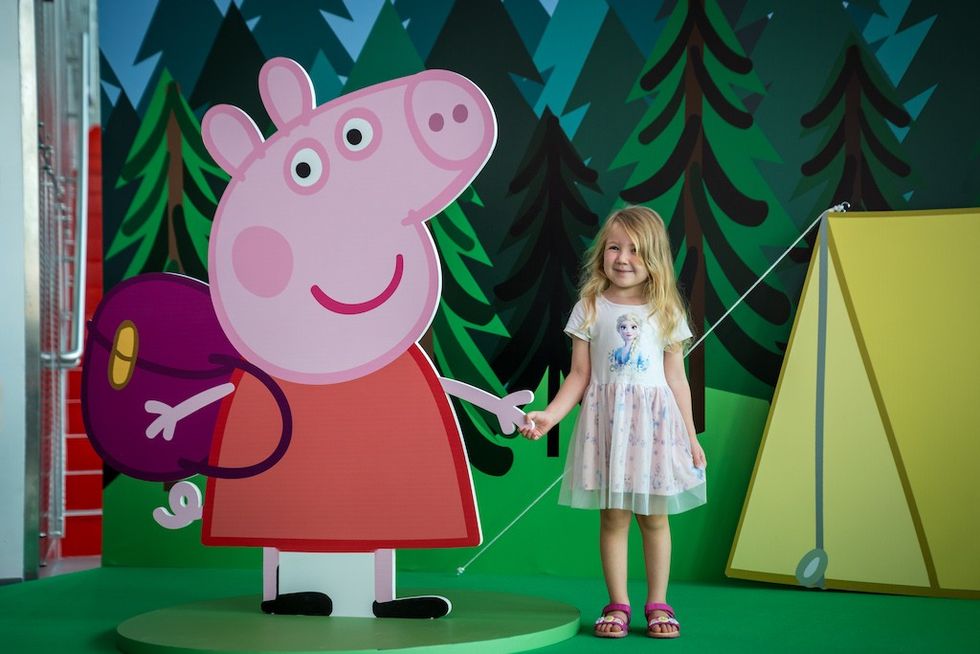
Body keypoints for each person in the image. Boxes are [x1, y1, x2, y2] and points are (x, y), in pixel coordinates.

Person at [519, 205, 707, 639]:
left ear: (655, 257)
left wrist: (691, 437)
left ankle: (658, 603)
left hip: (656, 429)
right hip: (609, 427)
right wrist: (550, 415)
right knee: (613, 518)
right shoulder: (590, 307)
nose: (623, 258)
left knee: (655, 519)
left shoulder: (666, 309)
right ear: (602, 252)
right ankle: (617, 604)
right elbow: (580, 376)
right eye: (614, 248)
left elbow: (676, 378)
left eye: (636, 251)